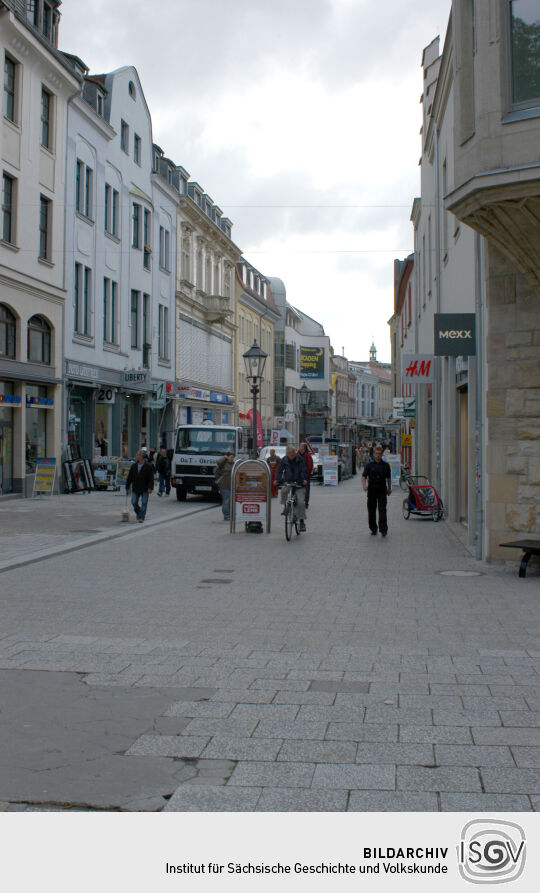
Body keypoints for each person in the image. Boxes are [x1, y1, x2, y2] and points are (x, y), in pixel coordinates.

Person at [362, 443, 391, 536]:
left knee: (382, 509)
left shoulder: (386, 465)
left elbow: (389, 478)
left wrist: (389, 488)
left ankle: (383, 529)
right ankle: (373, 528)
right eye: (376, 453)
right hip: (372, 490)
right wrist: (364, 485)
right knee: (371, 510)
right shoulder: (369, 465)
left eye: (379, 453)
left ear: (382, 454)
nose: (378, 455)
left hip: (382, 489)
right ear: (374, 454)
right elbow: (364, 476)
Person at [276, 446, 308, 531]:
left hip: (300, 483)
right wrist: (277, 480)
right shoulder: (284, 460)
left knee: (301, 502)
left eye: (293, 452)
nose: (291, 454)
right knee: (283, 491)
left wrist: (304, 479)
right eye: (289, 453)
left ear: (295, 452)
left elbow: (304, 470)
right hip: (289, 482)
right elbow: (279, 470)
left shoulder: (300, 459)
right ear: (287, 453)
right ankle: (285, 506)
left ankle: (301, 522)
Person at [126, 449, 154, 523]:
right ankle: (139, 513)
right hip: (135, 487)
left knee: (144, 502)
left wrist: (150, 488)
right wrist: (127, 487)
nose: (136, 456)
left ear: (141, 456)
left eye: (137, 455)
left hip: (145, 487)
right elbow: (130, 477)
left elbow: (151, 478)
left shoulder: (148, 466)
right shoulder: (134, 466)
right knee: (134, 502)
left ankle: (141, 517)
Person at [215, 450, 235, 521]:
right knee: (226, 501)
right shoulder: (223, 464)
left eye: (233, 457)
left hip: (232, 486)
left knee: (230, 501)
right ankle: (226, 515)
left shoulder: (234, 464)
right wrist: (224, 457)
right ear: (227, 457)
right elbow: (218, 462)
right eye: (230, 457)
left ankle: (230, 514)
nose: (232, 458)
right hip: (224, 485)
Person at [297, 442, 313, 508]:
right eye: (300, 446)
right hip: (297, 476)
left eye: (302, 446)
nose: (300, 448)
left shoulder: (308, 456)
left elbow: (310, 466)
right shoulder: (296, 455)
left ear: (304, 448)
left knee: (306, 490)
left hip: (306, 476)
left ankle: (306, 503)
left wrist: (306, 474)